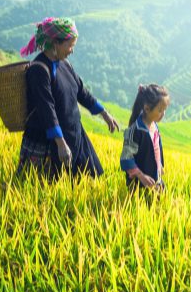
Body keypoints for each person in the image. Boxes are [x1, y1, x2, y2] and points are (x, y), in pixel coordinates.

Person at [16, 17, 119, 181]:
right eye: (70, 45)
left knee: (91, 180)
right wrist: (60, 143)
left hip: (74, 135)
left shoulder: (65, 64)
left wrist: (104, 114)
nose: (72, 51)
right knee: (47, 187)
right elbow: (46, 109)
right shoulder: (39, 70)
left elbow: (82, 92)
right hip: (51, 141)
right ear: (56, 43)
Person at [120, 84, 170, 190]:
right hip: (139, 185)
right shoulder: (136, 130)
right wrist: (141, 176)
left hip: (155, 180)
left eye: (165, 110)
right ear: (147, 108)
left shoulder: (154, 127)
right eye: (160, 110)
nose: (163, 114)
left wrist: (159, 165)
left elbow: (157, 149)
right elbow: (126, 158)